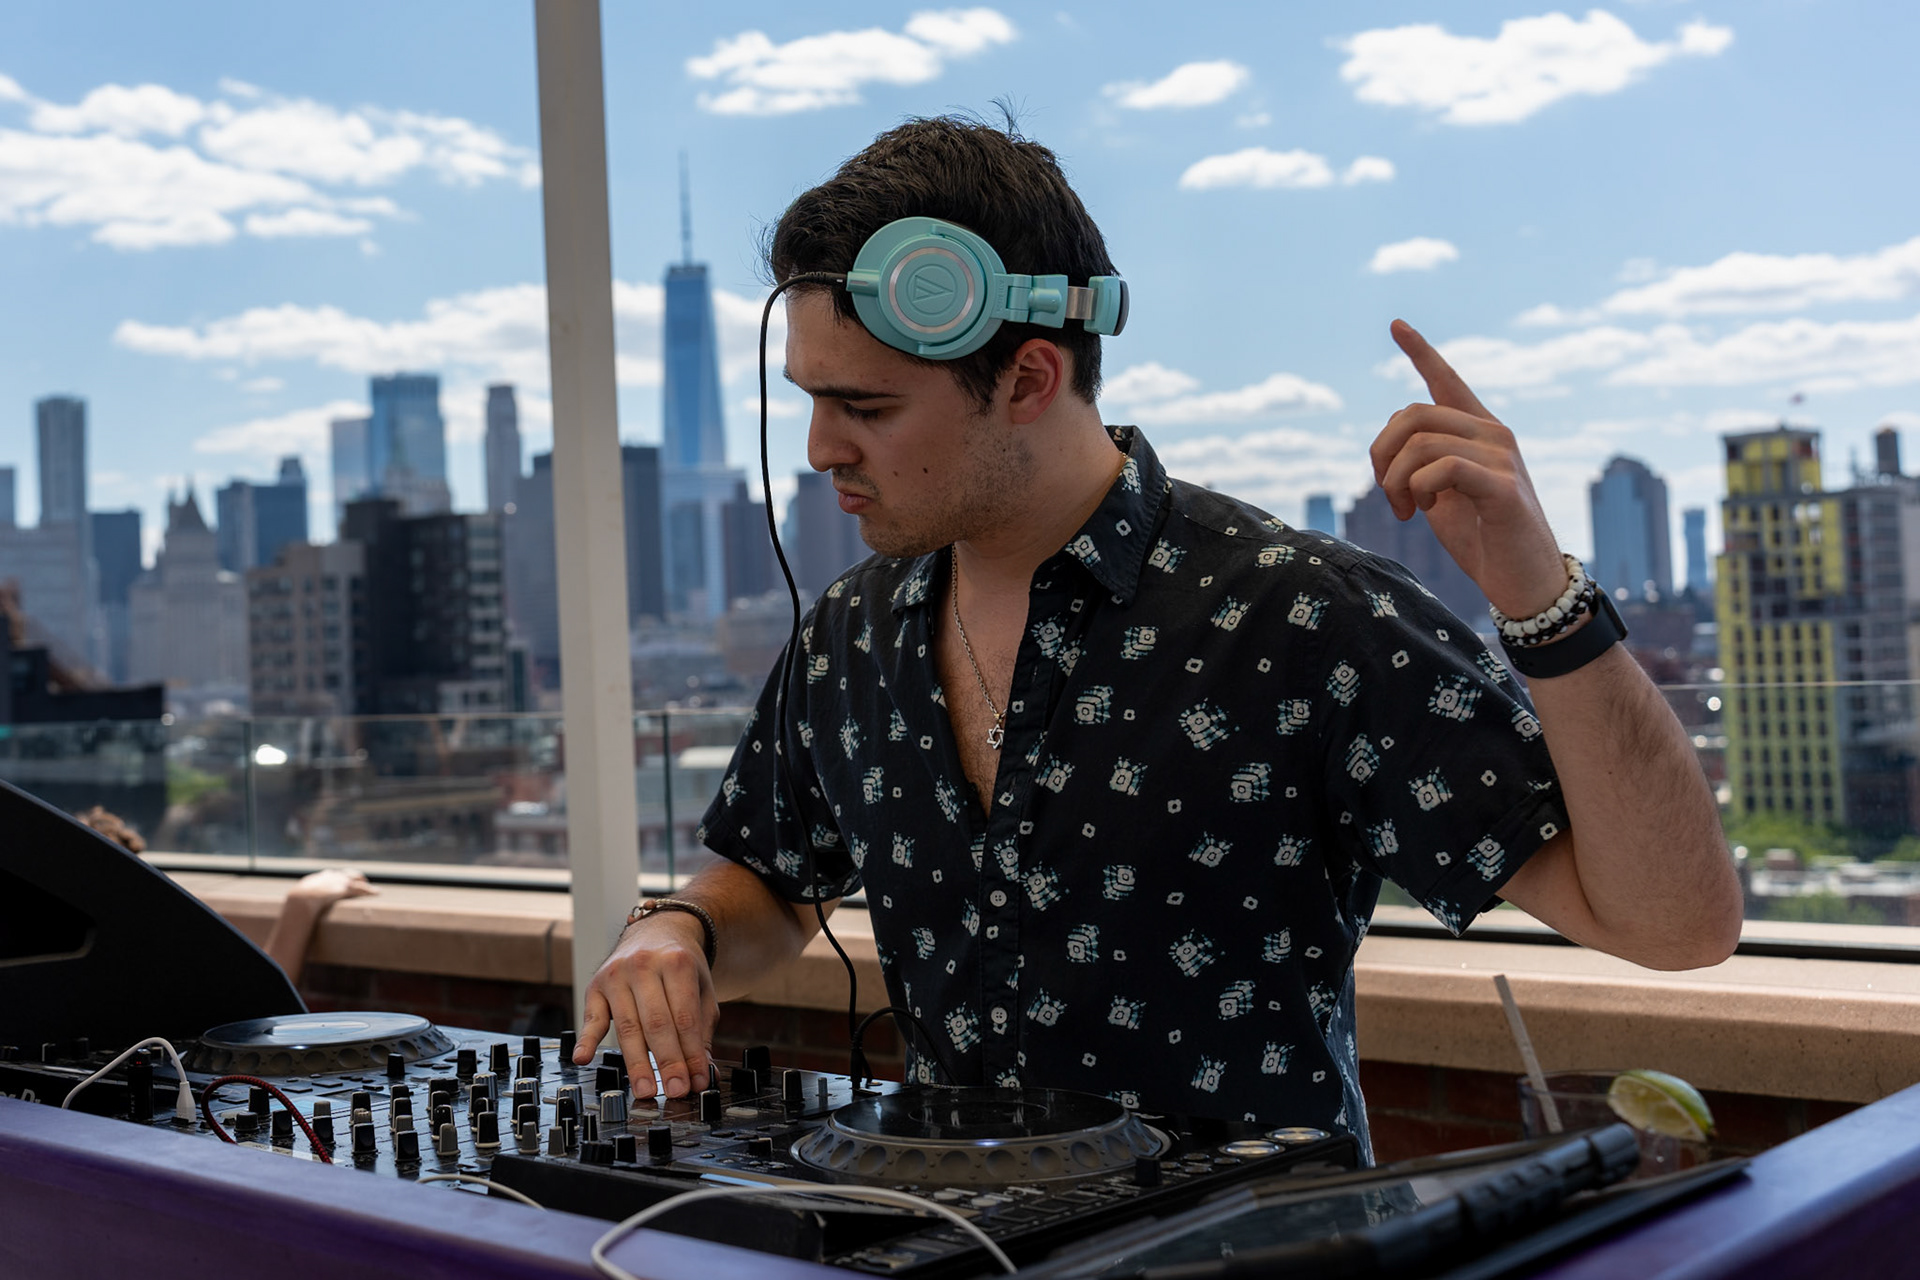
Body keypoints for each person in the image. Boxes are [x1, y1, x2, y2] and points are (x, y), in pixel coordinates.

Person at [573, 116, 1741, 1156]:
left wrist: (1541, 595)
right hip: (946, 1240)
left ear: (1029, 377)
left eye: (866, 406)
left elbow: (1677, 924)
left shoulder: (1302, 616)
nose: (821, 446)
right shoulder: (850, 633)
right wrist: (682, 926)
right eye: (812, 398)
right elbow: (772, 879)